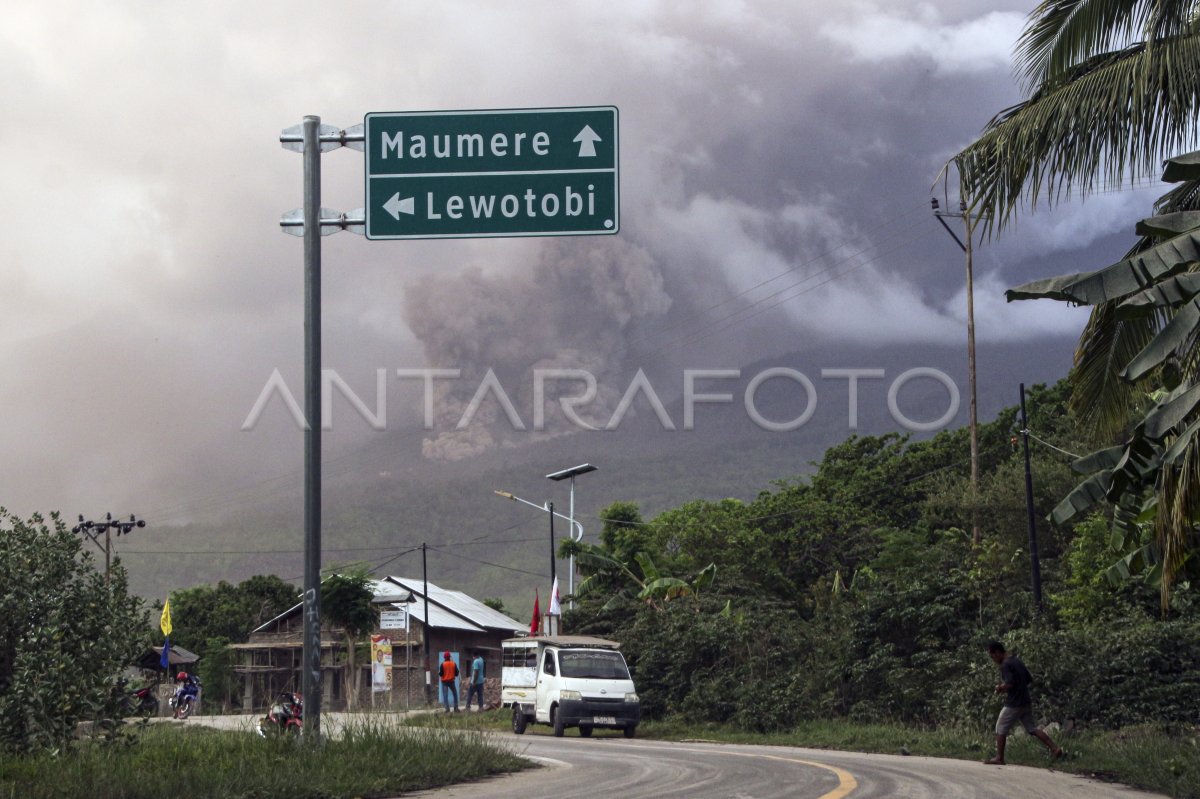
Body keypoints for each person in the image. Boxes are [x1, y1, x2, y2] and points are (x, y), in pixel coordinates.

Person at [984, 641, 1063, 765]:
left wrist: (1000, 688)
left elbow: (1010, 683)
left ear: (998, 652)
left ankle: (999, 757)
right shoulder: (1016, 660)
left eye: (992, 656)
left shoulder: (1005, 664)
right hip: (1025, 701)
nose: (993, 659)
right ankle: (1055, 748)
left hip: (1014, 703)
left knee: (1000, 727)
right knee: (1032, 728)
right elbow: (1028, 679)